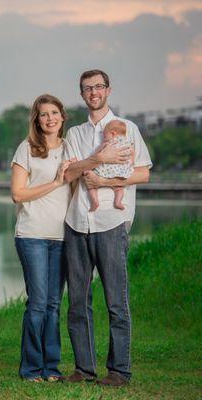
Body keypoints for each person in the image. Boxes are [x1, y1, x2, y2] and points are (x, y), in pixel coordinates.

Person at [63, 69, 152, 386]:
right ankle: (84, 369)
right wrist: (99, 158)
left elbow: (142, 174)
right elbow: (70, 173)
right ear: (82, 94)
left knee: (116, 300)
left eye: (98, 87)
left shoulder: (128, 129)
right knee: (77, 302)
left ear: (108, 90)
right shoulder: (75, 133)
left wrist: (103, 180)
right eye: (87, 88)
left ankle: (119, 371)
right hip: (77, 222)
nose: (93, 92)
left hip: (111, 223)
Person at [10, 94, 73, 382]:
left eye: (54, 113)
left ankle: (52, 368)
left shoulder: (71, 148)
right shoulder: (27, 149)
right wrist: (56, 182)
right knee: (37, 303)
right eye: (43, 114)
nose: (50, 118)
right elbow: (18, 194)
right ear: (36, 119)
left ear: (62, 116)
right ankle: (31, 368)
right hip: (32, 233)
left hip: (62, 235)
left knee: (53, 304)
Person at [87, 120, 134, 211]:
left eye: (104, 136)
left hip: (105, 170)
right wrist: (131, 162)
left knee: (91, 186)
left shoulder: (108, 143)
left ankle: (95, 201)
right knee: (119, 189)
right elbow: (132, 152)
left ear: (112, 134)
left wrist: (93, 157)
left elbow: (97, 155)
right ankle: (118, 201)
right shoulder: (128, 142)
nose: (104, 138)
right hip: (120, 172)